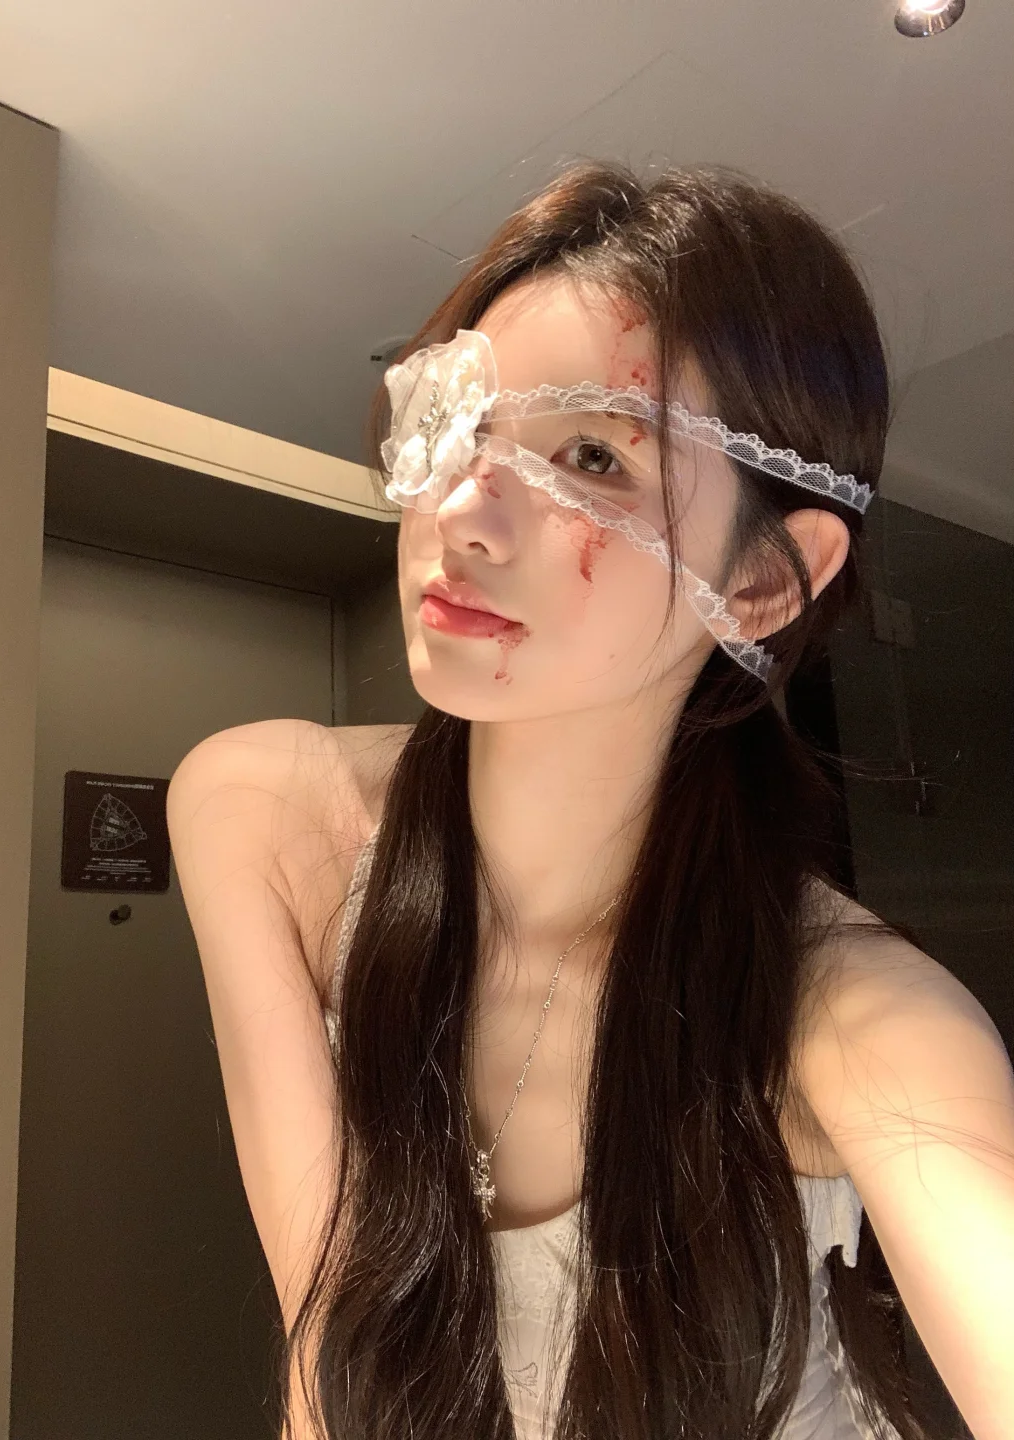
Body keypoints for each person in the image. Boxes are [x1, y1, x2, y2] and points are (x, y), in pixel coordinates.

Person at [168, 161, 955, 1440]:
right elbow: (330, 1362)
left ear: (764, 580)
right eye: (458, 425)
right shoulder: (260, 813)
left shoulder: (846, 1005)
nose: (459, 513)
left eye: (592, 455)